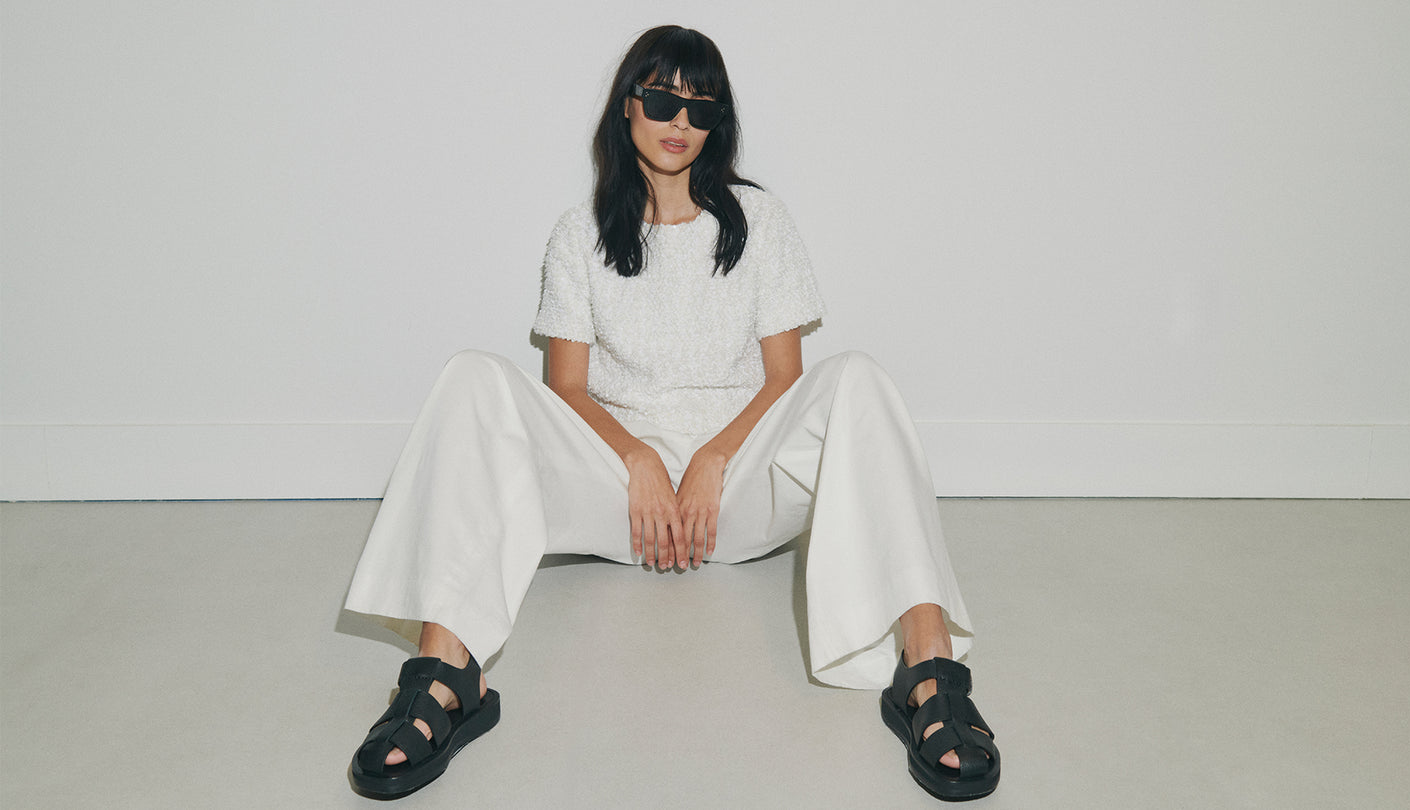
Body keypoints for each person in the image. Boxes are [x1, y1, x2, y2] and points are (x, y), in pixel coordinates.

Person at [343, 24, 1000, 803]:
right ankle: (448, 671)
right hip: (624, 502)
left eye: (702, 108)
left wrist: (715, 457)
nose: (681, 123)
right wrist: (640, 459)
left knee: (857, 375)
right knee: (471, 377)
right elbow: (568, 390)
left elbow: (785, 380)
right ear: (628, 107)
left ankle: (926, 665)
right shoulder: (579, 235)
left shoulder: (761, 223)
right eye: (662, 101)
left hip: (738, 495)